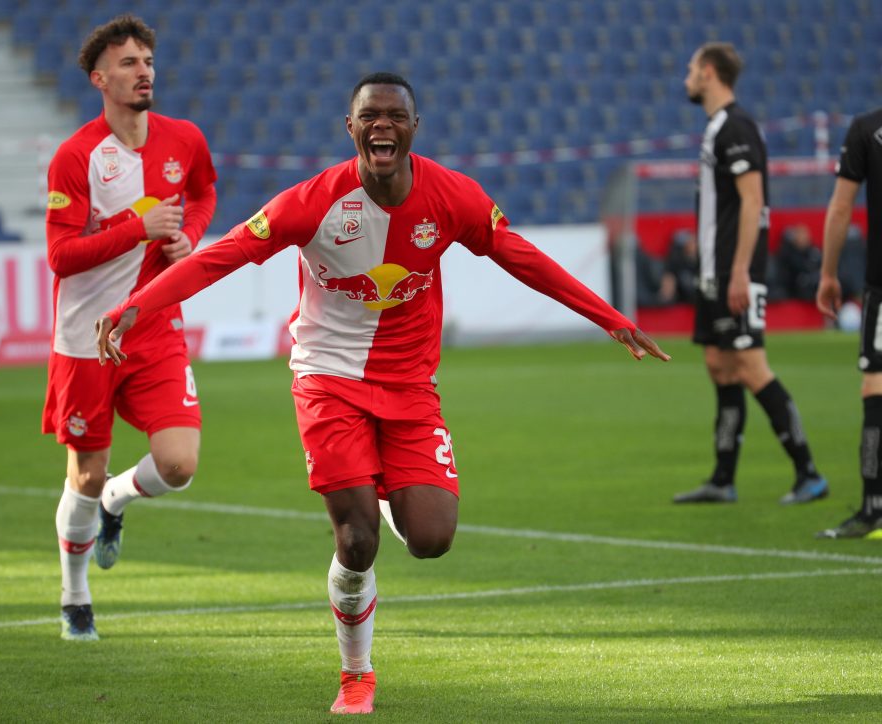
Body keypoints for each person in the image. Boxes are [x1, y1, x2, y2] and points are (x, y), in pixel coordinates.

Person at [95, 72, 669, 714]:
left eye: (395, 115)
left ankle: (390, 490)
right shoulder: (310, 203)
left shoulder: (453, 197)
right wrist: (135, 306)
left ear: (413, 128)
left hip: (410, 385)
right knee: (358, 539)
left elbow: (524, 258)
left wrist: (609, 317)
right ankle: (356, 674)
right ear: (352, 129)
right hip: (327, 379)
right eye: (370, 115)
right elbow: (219, 256)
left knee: (431, 537)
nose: (382, 125)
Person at [42, 14, 217, 641]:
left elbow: (203, 192)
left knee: (178, 464)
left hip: (153, 326)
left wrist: (190, 236)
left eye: (146, 60)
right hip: (85, 339)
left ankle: (120, 500)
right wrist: (134, 231)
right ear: (99, 79)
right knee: (84, 474)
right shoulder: (76, 157)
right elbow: (60, 256)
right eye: (127, 63)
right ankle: (75, 595)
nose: (143, 71)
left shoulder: (184, 139)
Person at [672, 43, 828, 505]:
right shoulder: (717, 128)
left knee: (750, 366)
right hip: (713, 271)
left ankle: (809, 472)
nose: (687, 77)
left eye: (691, 69)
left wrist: (740, 271)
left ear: (710, 72)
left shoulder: (735, 127)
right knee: (719, 365)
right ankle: (723, 479)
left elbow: (753, 201)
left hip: (734, 270)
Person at [816, 107, 882, 538]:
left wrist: (828, 274)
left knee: (875, 385)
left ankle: (874, 508)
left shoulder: (868, 128)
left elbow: (841, 208)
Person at [774, 224, 821, 301]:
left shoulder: (813, 252)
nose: (804, 238)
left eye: (805, 235)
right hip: (793, 291)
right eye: (800, 235)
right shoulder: (788, 255)